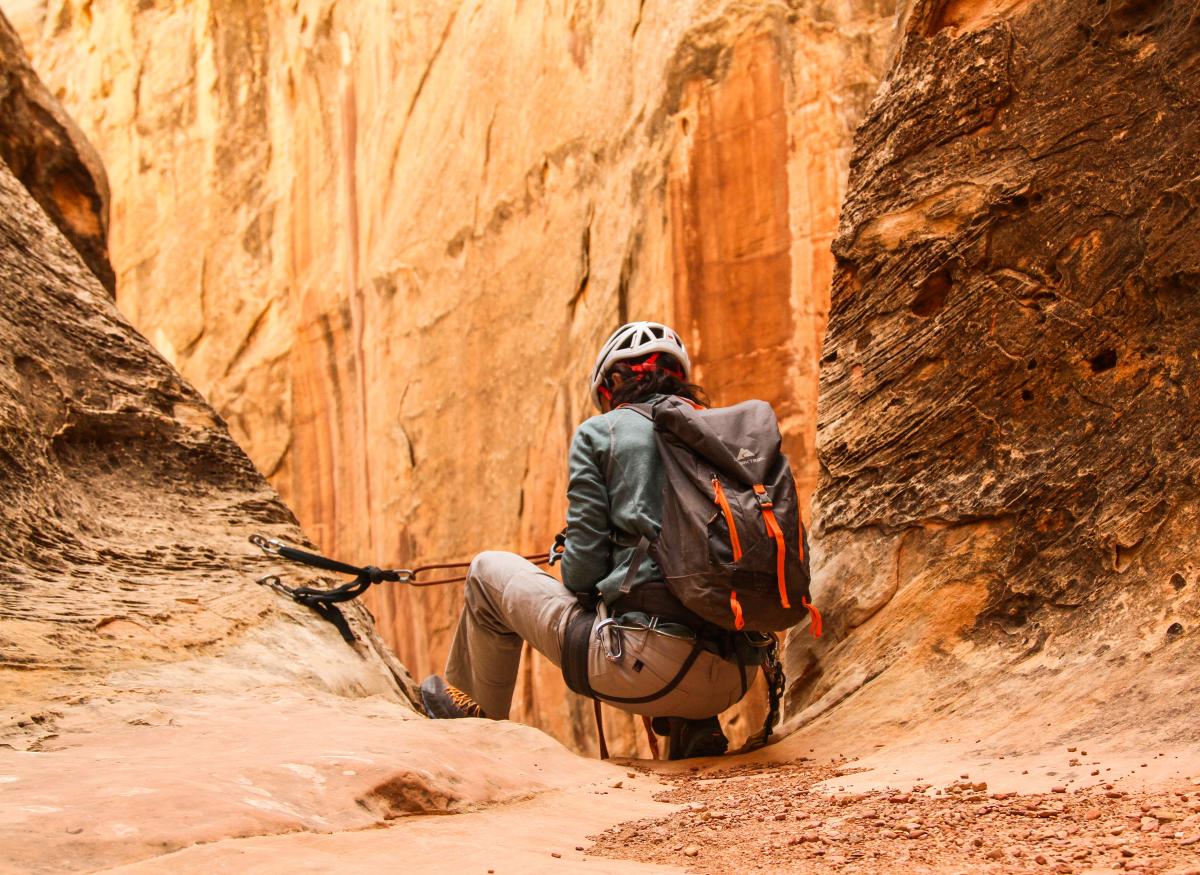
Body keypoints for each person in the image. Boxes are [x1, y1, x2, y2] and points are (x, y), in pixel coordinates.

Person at [420, 321, 754, 758]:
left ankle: (474, 730)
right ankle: (696, 726)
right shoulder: (726, 436)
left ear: (610, 386)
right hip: (739, 674)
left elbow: (581, 575)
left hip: (648, 671)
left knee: (487, 570)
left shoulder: (602, 434)